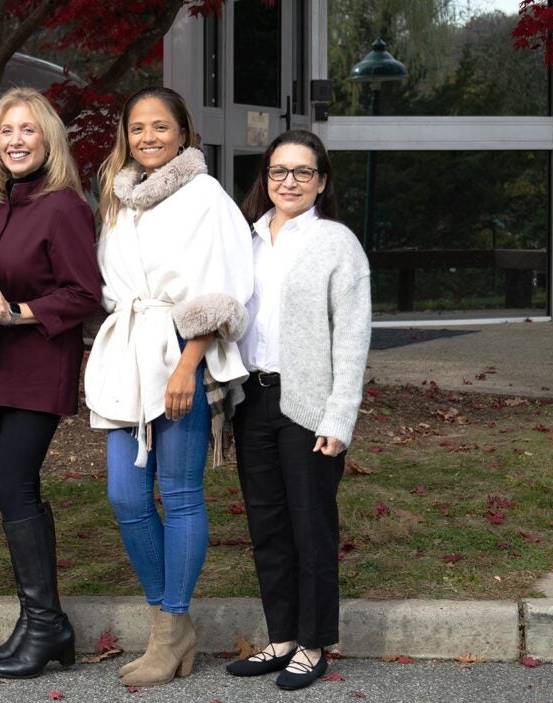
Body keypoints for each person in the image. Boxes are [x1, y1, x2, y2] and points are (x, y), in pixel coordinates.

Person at [83, 87, 253, 687]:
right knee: (127, 497)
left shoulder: (205, 196)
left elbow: (224, 285)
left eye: (161, 127)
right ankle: (170, 625)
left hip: (183, 356)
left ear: (184, 133)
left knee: (179, 495)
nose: (148, 137)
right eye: (137, 128)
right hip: (127, 356)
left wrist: (189, 364)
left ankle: (170, 625)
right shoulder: (118, 199)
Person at [0, 87, 101, 679]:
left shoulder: (64, 205)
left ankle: (45, 623)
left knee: (13, 485)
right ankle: (41, 621)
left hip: (35, 366)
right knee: (11, 489)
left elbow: (83, 293)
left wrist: (17, 310)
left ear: (49, 139)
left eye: (28, 131)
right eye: (6, 132)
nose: (16, 141)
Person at [225, 129, 371, 690]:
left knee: (311, 527)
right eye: (279, 171)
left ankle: (313, 643)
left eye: (302, 172)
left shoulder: (337, 244)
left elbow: (353, 339)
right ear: (266, 178)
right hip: (253, 398)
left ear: (321, 182)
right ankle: (281, 637)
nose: (289, 182)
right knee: (267, 526)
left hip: (308, 404)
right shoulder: (247, 238)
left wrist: (339, 419)